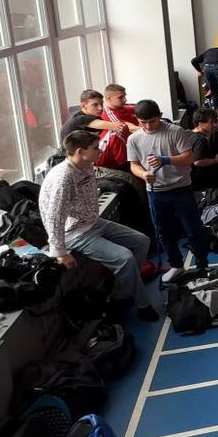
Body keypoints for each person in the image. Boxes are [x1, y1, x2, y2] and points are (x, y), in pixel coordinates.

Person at [41, 131, 158, 321]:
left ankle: (120, 293)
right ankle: (143, 306)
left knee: (142, 241)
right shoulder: (63, 178)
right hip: (75, 233)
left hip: (93, 222)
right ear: (80, 151)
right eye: (96, 148)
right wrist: (60, 252)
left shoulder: (87, 166)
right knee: (125, 258)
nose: (100, 151)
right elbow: (53, 216)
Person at [128, 99, 208, 279]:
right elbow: (134, 165)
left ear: (160, 116)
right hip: (155, 192)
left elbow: (189, 158)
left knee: (193, 229)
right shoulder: (134, 139)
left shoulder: (175, 131)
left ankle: (202, 264)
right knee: (163, 232)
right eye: (143, 122)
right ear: (137, 120)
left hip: (181, 188)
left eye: (152, 121)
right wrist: (143, 174)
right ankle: (176, 264)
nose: (148, 126)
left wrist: (165, 160)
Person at [59, 89, 128, 148]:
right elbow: (118, 126)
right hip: (73, 157)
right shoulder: (80, 119)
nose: (100, 108)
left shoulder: (95, 117)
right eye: (95, 105)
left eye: (101, 104)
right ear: (83, 106)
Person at [96, 84, 142, 171]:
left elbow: (142, 108)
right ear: (109, 98)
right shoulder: (108, 114)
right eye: (120, 97)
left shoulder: (123, 107)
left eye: (125, 96)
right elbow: (129, 128)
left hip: (133, 145)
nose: (125, 99)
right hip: (112, 159)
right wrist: (151, 128)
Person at [190, 108, 218, 190]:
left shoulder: (189, 133)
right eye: (211, 122)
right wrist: (214, 160)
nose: (214, 125)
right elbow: (198, 162)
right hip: (201, 180)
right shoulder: (200, 140)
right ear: (200, 123)